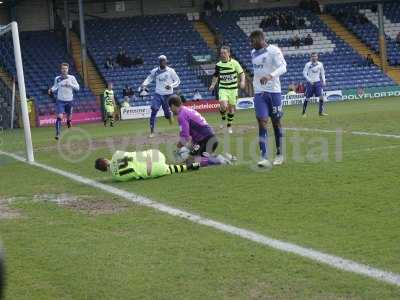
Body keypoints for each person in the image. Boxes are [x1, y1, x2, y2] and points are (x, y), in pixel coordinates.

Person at [250, 30, 287, 167]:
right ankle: (264, 156)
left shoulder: (273, 50)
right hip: (259, 93)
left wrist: (270, 76)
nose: (251, 44)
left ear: (261, 39)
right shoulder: (253, 53)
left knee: (276, 122)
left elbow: (284, 67)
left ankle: (279, 154)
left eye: (253, 41)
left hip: (274, 92)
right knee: (262, 121)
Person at [169, 95, 233, 167]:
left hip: (206, 141)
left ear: (173, 105)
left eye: (170, 107)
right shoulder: (185, 110)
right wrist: (189, 148)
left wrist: (178, 147)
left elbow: (185, 137)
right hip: (208, 139)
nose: (170, 110)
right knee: (192, 157)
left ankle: (220, 161)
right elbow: (193, 135)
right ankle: (226, 157)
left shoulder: (182, 115)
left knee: (191, 161)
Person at [95, 149, 200, 181]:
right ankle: (186, 156)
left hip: (152, 173)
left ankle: (189, 166)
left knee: (166, 169)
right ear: (105, 159)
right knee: (147, 155)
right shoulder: (116, 154)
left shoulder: (117, 177)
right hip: (155, 156)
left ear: (104, 170)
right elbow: (133, 154)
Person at [141, 55, 180, 138]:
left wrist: (171, 85)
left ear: (166, 61)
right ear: (159, 62)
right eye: (161, 61)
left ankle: (169, 115)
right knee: (154, 109)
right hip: (158, 94)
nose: (163, 62)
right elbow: (149, 78)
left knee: (166, 115)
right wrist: (144, 84)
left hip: (168, 95)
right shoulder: (155, 71)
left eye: (164, 60)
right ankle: (152, 132)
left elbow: (177, 81)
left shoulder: (171, 71)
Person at [209, 46, 245, 134]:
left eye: (224, 53)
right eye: (221, 53)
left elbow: (242, 73)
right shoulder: (218, 65)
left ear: (229, 53)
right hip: (223, 88)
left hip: (233, 89)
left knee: (232, 108)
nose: (223, 55)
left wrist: (242, 81)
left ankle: (229, 126)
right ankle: (223, 117)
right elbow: (215, 76)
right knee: (224, 105)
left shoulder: (235, 63)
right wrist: (213, 85)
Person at [48, 62, 80, 140]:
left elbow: (78, 88)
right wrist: (51, 89)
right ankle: (58, 134)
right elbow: (55, 86)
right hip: (60, 101)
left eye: (65, 68)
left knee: (69, 116)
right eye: (63, 68)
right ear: (61, 69)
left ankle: (69, 122)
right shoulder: (57, 78)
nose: (64, 70)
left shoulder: (72, 78)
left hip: (69, 101)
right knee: (60, 117)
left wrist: (70, 85)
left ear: (68, 69)